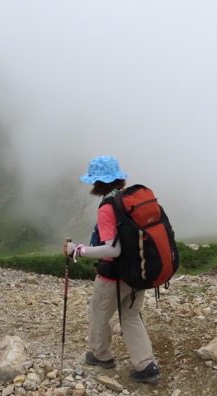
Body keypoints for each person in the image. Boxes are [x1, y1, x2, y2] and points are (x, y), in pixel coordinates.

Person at [64, 156, 161, 383]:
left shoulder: (108, 207)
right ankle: (146, 366)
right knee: (130, 316)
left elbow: (113, 250)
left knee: (97, 313)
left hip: (114, 276)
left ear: (98, 183)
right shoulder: (130, 201)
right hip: (139, 272)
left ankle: (101, 355)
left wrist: (78, 250)